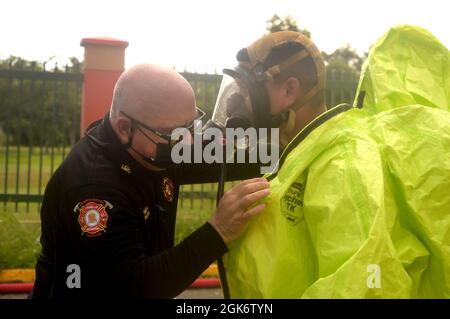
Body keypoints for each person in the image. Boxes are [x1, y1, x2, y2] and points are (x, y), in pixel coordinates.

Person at [219, 26, 450, 298]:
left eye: (246, 91)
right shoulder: (308, 152)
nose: (237, 103)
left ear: (289, 91)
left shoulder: (341, 162)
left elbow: (365, 285)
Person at [31, 64, 269, 299]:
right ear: (125, 128)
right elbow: (137, 287)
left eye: (191, 126)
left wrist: (286, 140)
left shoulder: (151, 146)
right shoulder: (94, 188)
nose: (187, 143)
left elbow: (239, 157)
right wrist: (219, 231)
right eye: (173, 133)